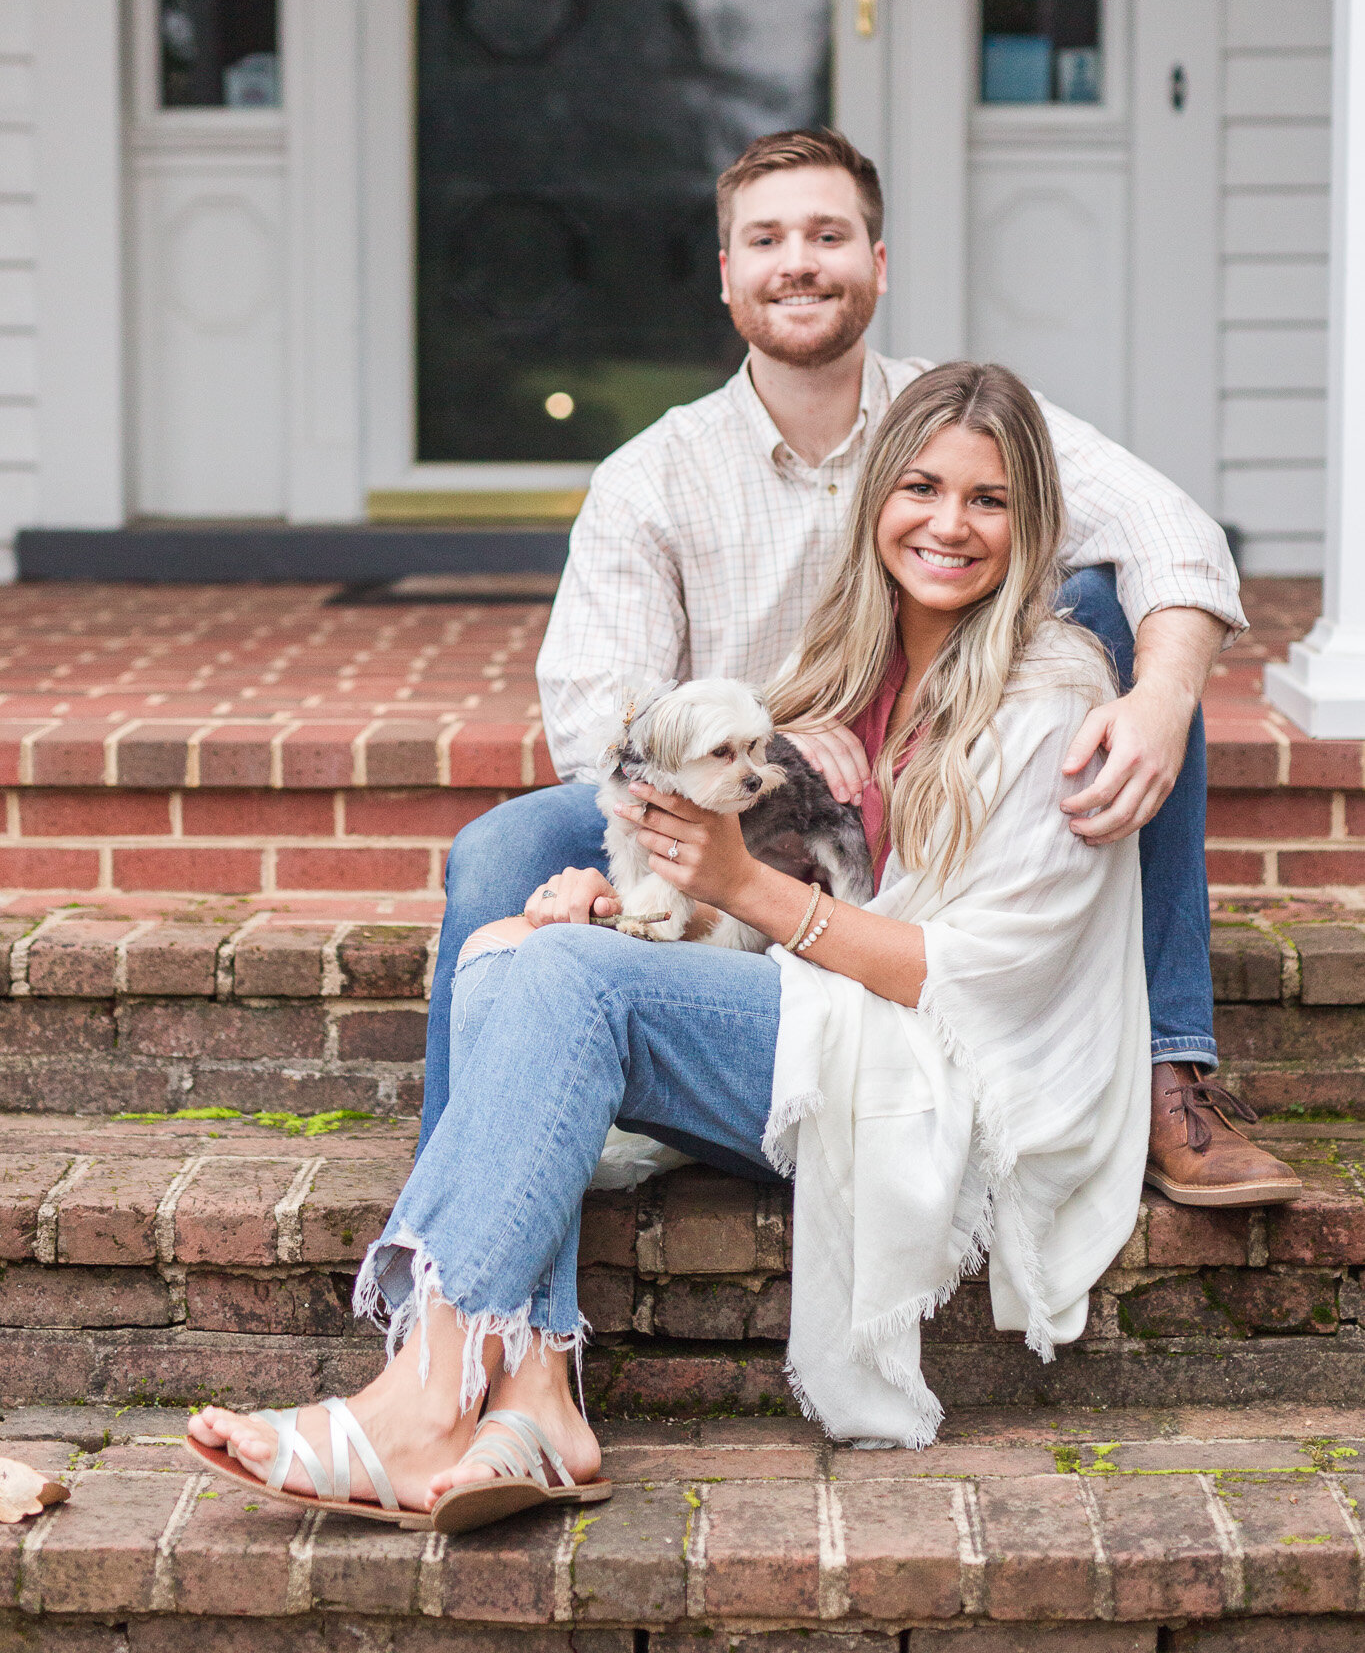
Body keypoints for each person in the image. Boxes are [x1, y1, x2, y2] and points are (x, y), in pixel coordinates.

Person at [187, 362, 1152, 1504]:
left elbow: (962, 979)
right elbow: (751, 903)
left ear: (1033, 519)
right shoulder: (857, 670)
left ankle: (420, 1399)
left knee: (564, 983)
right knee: (510, 955)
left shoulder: (1051, 704)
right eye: (921, 486)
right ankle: (537, 1393)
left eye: (989, 499)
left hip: (951, 1076)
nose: (949, 523)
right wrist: (627, 910)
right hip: (832, 1022)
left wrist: (739, 886)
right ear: (876, 502)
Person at [421, 126, 1297, 1208]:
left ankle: (1166, 1064)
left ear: (876, 265)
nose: (799, 260)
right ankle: (462, 1188)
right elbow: (600, 724)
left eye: (828, 234)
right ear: (729, 273)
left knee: (1140, 618)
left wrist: (1163, 696)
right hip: (741, 812)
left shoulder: (956, 417)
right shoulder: (653, 475)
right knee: (506, 842)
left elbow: (1176, 533)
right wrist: (782, 740)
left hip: (939, 800)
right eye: (767, 238)